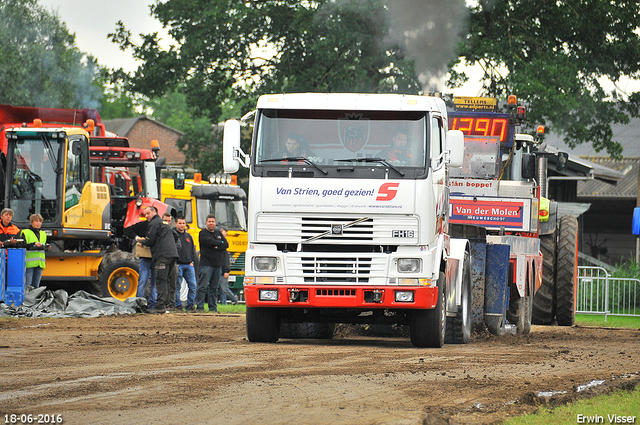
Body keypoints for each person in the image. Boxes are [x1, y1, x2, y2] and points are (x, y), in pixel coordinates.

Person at [136, 206, 179, 313]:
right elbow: (176, 235)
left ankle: (160, 307)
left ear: (154, 212)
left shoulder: (154, 223)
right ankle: (166, 305)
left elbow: (150, 240)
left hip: (162, 255)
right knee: (166, 280)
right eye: (145, 214)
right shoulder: (164, 223)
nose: (146, 216)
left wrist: (141, 241)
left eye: (148, 213)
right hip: (172, 255)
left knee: (160, 280)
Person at [194, 215, 228, 312]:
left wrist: (217, 245)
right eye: (209, 221)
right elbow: (208, 242)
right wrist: (218, 243)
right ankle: (200, 307)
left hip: (217, 265)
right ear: (206, 222)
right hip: (206, 264)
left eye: (213, 221)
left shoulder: (218, 232)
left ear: (215, 222)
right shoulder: (202, 233)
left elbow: (225, 244)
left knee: (214, 288)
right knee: (202, 287)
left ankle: (213, 308)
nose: (211, 223)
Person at [124, 218, 157, 309]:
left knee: (150, 282)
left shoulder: (157, 225)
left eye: (148, 213)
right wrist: (137, 237)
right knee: (144, 281)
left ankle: (149, 304)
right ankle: (141, 303)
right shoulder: (144, 225)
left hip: (153, 257)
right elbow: (127, 230)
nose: (146, 215)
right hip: (147, 256)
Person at [174, 216, 198, 311]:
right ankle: (178, 306)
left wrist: (192, 261)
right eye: (180, 223)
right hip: (178, 264)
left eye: (183, 223)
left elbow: (193, 249)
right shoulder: (173, 235)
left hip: (189, 265)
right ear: (176, 223)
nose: (182, 225)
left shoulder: (188, 236)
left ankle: (190, 306)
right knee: (177, 286)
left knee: (193, 286)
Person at [21, 213, 49, 288]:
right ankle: (27, 299)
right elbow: (22, 245)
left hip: (40, 263)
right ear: (31, 222)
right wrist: (33, 244)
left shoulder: (43, 233)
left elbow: (44, 245)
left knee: (36, 285)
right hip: (29, 263)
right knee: (28, 285)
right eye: (36, 221)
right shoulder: (25, 232)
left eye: (40, 221)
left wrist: (46, 247)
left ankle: (34, 299)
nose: (38, 223)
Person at [217, 228, 238, 305]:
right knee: (219, 288)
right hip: (217, 269)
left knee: (224, 289)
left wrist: (226, 271)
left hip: (223, 271)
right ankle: (223, 303)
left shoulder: (224, 249)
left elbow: (226, 261)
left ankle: (234, 299)